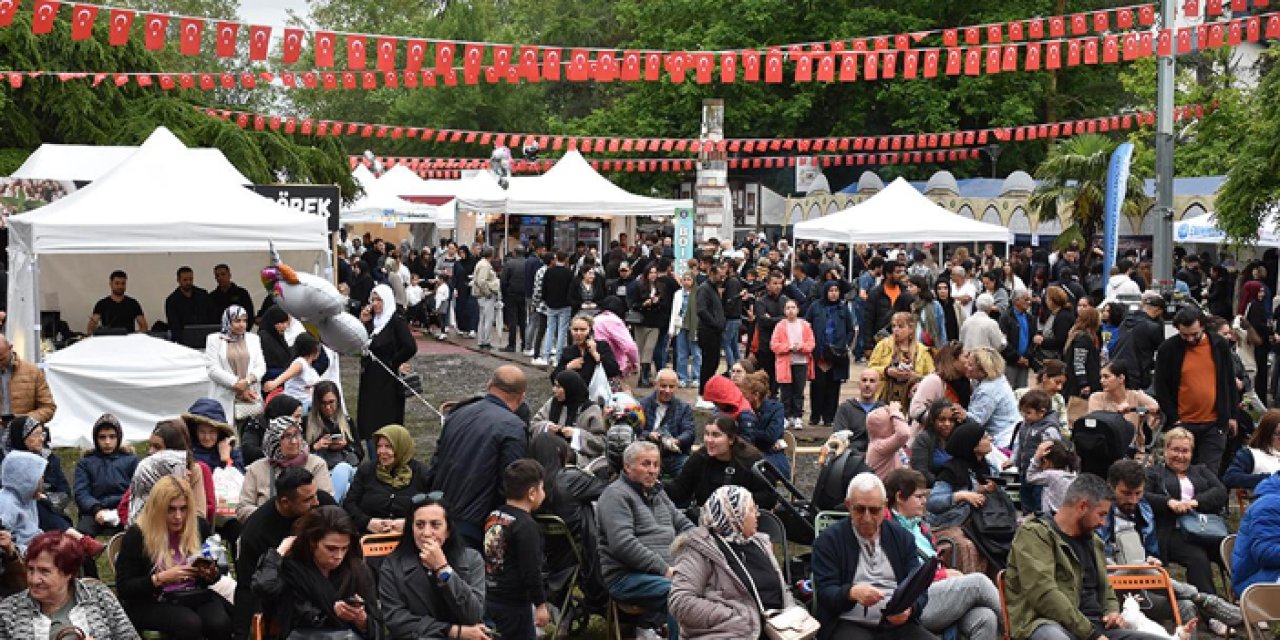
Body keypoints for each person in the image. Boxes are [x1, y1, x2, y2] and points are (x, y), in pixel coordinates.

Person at [1005, 474, 1170, 640]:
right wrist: (1092, 634)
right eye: (1101, 514)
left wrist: (1112, 612)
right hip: (1048, 624)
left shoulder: (1094, 541)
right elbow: (1045, 594)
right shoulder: (1035, 535)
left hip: (1097, 628)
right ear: (1082, 506)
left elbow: (1106, 588)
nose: (1104, 523)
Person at [1097, 460, 1241, 635]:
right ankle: (1201, 597)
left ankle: (1195, 599)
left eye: (1138, 493)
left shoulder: (1144, 509)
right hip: (1109, 589)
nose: (1133, 500)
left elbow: (1151, 551)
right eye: (1126, 493)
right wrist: (1140, 567)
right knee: (1138, 567)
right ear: (1110, 487)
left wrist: (1152, 559)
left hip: (1141, 589)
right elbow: (1097, 563)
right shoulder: (1097, 513)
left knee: (1185, 606)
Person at [811, 472, 932, 640]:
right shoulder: (829, 541)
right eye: (860, 509)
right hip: (847, 620)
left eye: (874, 510)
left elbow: (919, 587)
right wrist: (851, 593)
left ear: (885, 506)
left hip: (895, 623)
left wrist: (911, 609)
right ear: (848, 505)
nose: (867, 518)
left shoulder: (902, 537)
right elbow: (825, 592)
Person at [884, 468, 1002, 640]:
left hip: (937, 593)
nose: (925, 501)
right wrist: (942, 574)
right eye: (918, 497)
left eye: (924, 495)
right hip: (914, 602)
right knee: (978, 582)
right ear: (900, 497)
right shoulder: (887, 529)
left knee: (985, 618)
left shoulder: (919, 525)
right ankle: (1020, 630)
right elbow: (905, 576)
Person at [669, 485, 798, 640]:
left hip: (777, 631)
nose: (757, 514)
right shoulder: (699, 548)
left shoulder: (761, 544)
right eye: (750, 510)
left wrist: (791, 616)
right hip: (729, 634)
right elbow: (681, 602)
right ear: (734, 514)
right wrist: (738, 619)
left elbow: (783, 589)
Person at [597, 441, 694, 639]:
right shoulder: (615, 495)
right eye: (646, 464)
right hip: (626, 577)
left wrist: (703, 545)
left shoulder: (659, 493)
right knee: (679, 594)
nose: (652, 470)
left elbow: (684, 525)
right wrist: (664, 569)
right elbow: (623, 544)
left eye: (656, 465)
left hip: (667, 572)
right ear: (627, 467)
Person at [115, 476, 231, 639]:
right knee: (189, 624)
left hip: (194, 593)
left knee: (219, 623)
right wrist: (160, 579)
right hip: (152, 600)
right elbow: (124, 588)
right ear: (158, 509)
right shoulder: (138, 535)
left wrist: (210, 573)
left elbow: (217, 572)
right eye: (171, 509)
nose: (178, 516)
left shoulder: (198, 526)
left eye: (183, 509)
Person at [427, 366, 529, 551]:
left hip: (440, 513)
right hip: (476, 523)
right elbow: (510, 484)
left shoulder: (457, 413)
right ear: (521, 397)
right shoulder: (513, 427)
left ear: (489, 385)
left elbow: (435, 465)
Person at [251, 506, 379, 638]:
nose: (339, 556)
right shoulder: (292, 569)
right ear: (313, 542)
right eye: (331, 549)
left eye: (344, 548)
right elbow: (264, 587)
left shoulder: (356, 570)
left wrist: (361, 619)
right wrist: (279, 552)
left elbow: (377, 629)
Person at [379, 493, 489, 640]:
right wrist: (453, 631)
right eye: (419, 525)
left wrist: (443, 569)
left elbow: (473, 615)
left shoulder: (472, 559)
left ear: (448, 530)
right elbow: (396, 620)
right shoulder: (392, 564)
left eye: (435, 525)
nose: (426, 533)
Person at [232, 468, 325, 640]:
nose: (317, 502)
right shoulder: (256, 532)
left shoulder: (322, 503)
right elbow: (246, 586)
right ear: (284, 502)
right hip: (284, 593)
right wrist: (241, 634)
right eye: (308, 499)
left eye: (316, 494)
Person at [0, 531, 139, 640]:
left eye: (44, 571)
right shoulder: (9, 610)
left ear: (69, 573)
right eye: (30, 569)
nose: (34, 579)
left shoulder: (99, 597)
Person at [1144, 427, 1228, 596]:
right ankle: (1211, 610)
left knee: (1235, 551)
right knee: (1198, 558)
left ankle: (1246, 599)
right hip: (1173, 531)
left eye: (1185, 451)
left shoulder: (1201, 471)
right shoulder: (1154, 473)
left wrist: (1195, 502)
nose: (1180, 456)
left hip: (1205, 527)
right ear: (1166, 449)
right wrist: (1169, 502)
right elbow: (1143, 496)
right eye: (1175, 450)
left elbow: (1221, 491)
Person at [1154, 306, 1238, 472]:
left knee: (1209, 474)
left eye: (1195, 334)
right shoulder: (1168, 350)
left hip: (1214, 423)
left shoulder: (1219, 345)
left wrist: (1231, 415)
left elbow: (1228, 381)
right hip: (1183, 424)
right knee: (1180, 472)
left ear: (1203, 327)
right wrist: (1174, 418)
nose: (1191, 339)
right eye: (1185, 335)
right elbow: (1161, 387)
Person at [482, 460, 550, 639]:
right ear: (532, 493)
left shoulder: (494, 515)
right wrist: (541, 604)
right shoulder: (527, 526)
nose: (544, 493)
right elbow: (531, 570)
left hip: (490, 594)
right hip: (515, 604)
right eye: (542, 489)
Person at [925, 420, 997, 575]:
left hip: (977, 524)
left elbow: (973, 489)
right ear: (973, 446)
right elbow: (933, 502)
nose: (990, 439)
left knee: (998, 540)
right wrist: (960, 496)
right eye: (984, 437)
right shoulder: (951, 471)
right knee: (967, 546)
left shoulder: (986, 466)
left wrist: (982, 490)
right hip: (948, 525)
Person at [668, 416, 776, 511]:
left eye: (715, 435)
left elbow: (769, 497)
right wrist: (656, 486)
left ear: (731, 439)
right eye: (707, 434)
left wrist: (736, 502)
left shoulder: (750, 461)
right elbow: (680, 489)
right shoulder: (701, 457)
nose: (709, 440)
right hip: (705, 520)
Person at [356, 283, 417, 452]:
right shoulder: (373, 322)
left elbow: (410, 346)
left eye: (379, 300)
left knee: (386, 420)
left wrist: (394, 362)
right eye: (373, 299)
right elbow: (363, 344)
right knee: (368, 420)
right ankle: (373, 454)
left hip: (388, 380)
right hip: (370, 378)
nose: (375, 303)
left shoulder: (395, 321)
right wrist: (364, 323)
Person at [238, 415, 333, 522]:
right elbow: (243, 508)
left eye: (297, 435)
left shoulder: (316, 464)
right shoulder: (256, 468)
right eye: (287, 436)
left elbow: (325, 505)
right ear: (274, 440)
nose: (294, 441)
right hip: (266, 527)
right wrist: (271, 515)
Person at [203, 305, 265, 432]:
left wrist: (246, 382)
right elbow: (212, 369)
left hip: (250, 396)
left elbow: (261, 366)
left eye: (245, 320)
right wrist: (236, 383)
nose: (242, 325)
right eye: (237, 321)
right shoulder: (214, 339)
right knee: (227, 434)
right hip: (225, 395)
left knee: (250, 433)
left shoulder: (254, 339)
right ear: (227, 321)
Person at [4, 417, 72, 533]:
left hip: (49, 507)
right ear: (21, 437)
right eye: (36, 435)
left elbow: (65, 492)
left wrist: (46, 498)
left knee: (40, 504)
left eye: (42, 434)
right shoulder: (7, 461)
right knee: (35, 504)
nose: (41, 439)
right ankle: (76, 537)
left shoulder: (49, 458)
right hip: (16, 508)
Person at [73, 414, 137, 537]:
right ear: (96, 439)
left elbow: (136, 490)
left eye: (112, 437)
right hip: (95, 511)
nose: (107, 442)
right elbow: (81, 492)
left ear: (119, 437)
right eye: (102, 437)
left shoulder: (131, 461)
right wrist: (96, 509)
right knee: (81, 537)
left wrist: (122, 508)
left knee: (138, 534)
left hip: (125, 509)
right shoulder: (86, 463)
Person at [531, 370, 606, 467]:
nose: (554, 390)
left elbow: (601, 442)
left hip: (578, 463)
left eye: (559, 387)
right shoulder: (553, 403)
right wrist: (547, 427)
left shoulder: (590, 410)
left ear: (570, 388)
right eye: (554, 385)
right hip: (548, 456)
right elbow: (533, 424)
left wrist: (576, 434)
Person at [808, 280, 857, 427]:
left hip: (837, 355)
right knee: (818, 385)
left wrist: (845, 344)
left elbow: (850, 329)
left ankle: (830, 417)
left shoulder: (843, 308)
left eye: (836, 290)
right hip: (819, 353)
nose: (833, 293)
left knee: (833, 386)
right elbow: (807, 324)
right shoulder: (816, 306)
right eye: (831, 290)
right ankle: (815, 415)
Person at [1088, 361, 1161, 449]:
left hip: (1132, 448)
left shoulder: (1136, 395)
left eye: (1106, 377)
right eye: (1101, 377)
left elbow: (1155, 408)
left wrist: (1132, 409)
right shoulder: (1096, 397)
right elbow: (1097, 423)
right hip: (1104, 446)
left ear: (1121, 378)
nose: (1101, 381)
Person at [638, 369, 695, 477]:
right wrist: (649, 435)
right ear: (656, 385)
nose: (667, 390)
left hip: (673, 456)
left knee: (690, 468)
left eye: (671, 387)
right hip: (645, 453)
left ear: (676, 387)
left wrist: (677, 441)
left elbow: (689, 432)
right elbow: (635, 430)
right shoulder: (642, 405)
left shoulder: (683, 408)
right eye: (663, 386)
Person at [868, 311, 935, 406]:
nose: (896, 330)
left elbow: (932, 377)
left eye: (900, 326)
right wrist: (887, 371)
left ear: (911, 329)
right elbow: (870, 369)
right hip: (884, 399)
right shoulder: (883, 345)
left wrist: (915, 376)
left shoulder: (922, 351)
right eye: (893, 326)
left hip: (912, 400)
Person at [771, 298, 815, 431]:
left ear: (798, 310)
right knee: (785, 391)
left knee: (798, 390)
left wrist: (801, 347)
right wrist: (788, 347)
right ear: (784, 311)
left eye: (793, 307)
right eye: (788, 308)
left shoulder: (805, 325)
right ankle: (785, 416)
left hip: (801, 361)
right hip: (785, 363)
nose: (790, 310)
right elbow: (774, 345)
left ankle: (798, 416)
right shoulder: (780, 326)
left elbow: (811, 343)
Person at [737, 371, 790, 479]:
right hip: (748, 455)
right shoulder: (741, 407)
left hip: (772, 457)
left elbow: (771, 436)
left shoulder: (776, 408)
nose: (741, 398)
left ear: (756, 395)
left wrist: (747, 430)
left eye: (744, 395)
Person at [967, 346, 1020, 451]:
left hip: (1003, 439)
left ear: (982, 369)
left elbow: (975, 422)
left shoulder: (988, 390)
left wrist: (962, 414)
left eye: (970, 365)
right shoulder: (998, 379)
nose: (967, 367)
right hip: (1012, 433)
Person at [1110, 291, 1166, 391]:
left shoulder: (1125, 321)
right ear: (1158, 311)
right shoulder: (1153, 327)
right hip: (1137, 373)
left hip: (1117, 367)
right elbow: (1162, 349)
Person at [908, 343, 971, 430]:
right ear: (952, 360)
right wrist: (942, 422)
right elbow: (915, 411)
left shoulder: (967, 383)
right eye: (966, 357)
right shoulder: (934, 380)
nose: (970, 361)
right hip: (928, 439)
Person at [552, 314, 622, 389]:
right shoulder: (568, 351)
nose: (578, 333)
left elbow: (613, 370)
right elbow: (554, 378)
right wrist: (567, 367)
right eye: (575, 330)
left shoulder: (602, 346)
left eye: (583, 330)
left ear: (590, 331)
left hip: (599, 392)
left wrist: (596, 355)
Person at [0, 336, 55, 424]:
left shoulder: (32, 371)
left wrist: (23, 420)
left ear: (10, 348)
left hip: (23, 434)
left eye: (2, 359)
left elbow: (48, 408)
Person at [535, 251, 576, 366]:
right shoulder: (569, 273)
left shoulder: (549, 271)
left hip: (551, 304)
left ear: (556, 258)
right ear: (566, 259)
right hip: (565, 305)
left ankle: (545, 356)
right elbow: (571, 289)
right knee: (562, 331)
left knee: (550, 329)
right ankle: (558, 357)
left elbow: (544, 288)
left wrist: (546, 300)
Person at [1225, 409, 1280, 491]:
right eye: (1279, 434)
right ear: (1267, 434)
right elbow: (1230, 478)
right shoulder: (1250, 454)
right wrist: (1272, 478)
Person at [909, 400, 962, 485]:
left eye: (951, 420)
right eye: (942, 420)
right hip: (931, 488)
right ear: (933, 420)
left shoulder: (958, 438)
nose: (947, 424)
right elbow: (921, 472)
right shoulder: (923, 439)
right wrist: (942, 485)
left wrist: (966, 418)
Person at [1064, 308, 1102, 422]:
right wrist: (1083, 383)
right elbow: (1079, 362)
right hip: (1080, 385)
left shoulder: (1077, 336)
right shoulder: (1083, 339)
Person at [263, 333, 322, 407]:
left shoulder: (311, 369)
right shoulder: (300, 362)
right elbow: (286, 375)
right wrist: (274, 383)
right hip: (297, 404)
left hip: (308, 402)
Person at [696, 265, 727, 399]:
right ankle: (702, 393)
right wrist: (715, 323)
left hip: (715, 331)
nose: (722, 278)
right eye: (720, 275)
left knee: (713, 362)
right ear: (712, 274)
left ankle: (707, 391)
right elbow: (702, 310)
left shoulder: (713, 289)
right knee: (708, 363)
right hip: (708, 331)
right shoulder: (704, 289)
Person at [87, 269, 147, 334]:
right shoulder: (102, 304)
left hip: (128, 341)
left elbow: (144, 327)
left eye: (123, 283)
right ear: (110, 284)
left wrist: (132, 336)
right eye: (117, 283)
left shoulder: (133, 303)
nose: (120, 286)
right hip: (107, 341)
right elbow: (90, 329)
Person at [670, 271, 702, 389]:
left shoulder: (698, 293)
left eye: (689, 279)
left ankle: (696, 377)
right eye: (684, 279)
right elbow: (674, 311)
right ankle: (682, 377)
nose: (686, 282)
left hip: (694, 326)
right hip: (681, 326)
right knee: (681, 353)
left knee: (696, 353)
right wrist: (672, 328)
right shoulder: (678, 294)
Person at [999, 288, 1036, 388]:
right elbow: (1003, 341)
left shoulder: (1030, 318)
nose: (1029, 302)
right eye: (1026, 300)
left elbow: (1033, 339)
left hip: (1025, 362)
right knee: (1009, 389)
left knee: (1022, 390)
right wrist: (1017, 357)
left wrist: (1027, 356)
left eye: (1029, 300)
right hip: (1010, 361)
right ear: (1016, 301)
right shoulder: (1006, 317)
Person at [166, 266, 214, 342]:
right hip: (183, 340)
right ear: (178, 280)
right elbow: (174, 325)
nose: (188, 282)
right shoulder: (172, 300)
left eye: (190, 279)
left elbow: (211, 316)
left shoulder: (203, 295)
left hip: (205, 337)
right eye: (185, 280)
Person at [865, 403, 912, 480]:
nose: (895, 424)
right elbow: (904, 434)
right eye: (892, 421)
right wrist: (895, 412)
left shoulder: (883, 442)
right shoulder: (879, 446)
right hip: (885, 489)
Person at [209, 264, 255, 330]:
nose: (220, 278)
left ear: (229, 275)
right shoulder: (212, 297)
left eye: (223, 274)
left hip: (240, 332)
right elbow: (210, 318)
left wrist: (243, 330)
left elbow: (249, 315)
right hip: (219, 334)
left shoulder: (241, 293)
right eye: (217, 275)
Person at [257, 306, 293, 383]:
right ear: (272, 322)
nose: (284, 326)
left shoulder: (278, 337)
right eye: (280, 323)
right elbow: (264, 369)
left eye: (286, 322)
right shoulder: (263, 338)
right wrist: (289, 372)